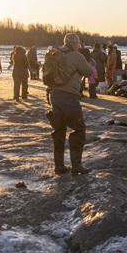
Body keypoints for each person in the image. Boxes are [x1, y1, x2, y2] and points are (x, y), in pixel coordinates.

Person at [44, 33, 94, 175]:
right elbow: (88, 72)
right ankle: (76, 165)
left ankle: (59, 166)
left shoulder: (55, 53)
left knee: (59, 131)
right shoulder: (77, 55)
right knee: (79, 130)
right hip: (69, 96)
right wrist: (88, 61)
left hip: (55, 95)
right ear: (75, 43)